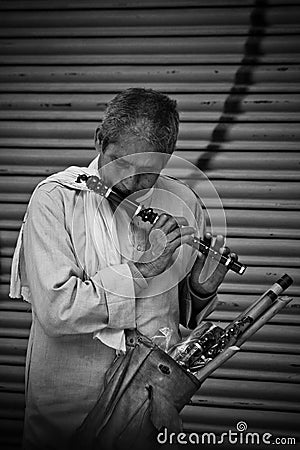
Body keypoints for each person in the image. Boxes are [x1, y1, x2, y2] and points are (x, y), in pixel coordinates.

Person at [10, 88, 237, 450]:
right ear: (99, 140)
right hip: (68, 410)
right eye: (121, 164)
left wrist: (199, 290)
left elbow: (172, 316)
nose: (130, 183)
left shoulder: (183, 203)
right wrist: (141, 271)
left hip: (146, 408)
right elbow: (57, 310)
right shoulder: (56, 200)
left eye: (147, 174)